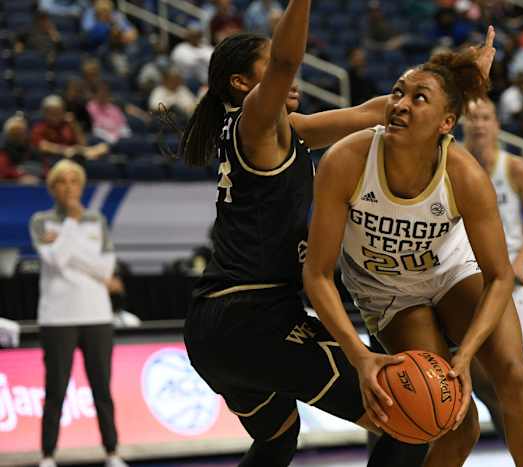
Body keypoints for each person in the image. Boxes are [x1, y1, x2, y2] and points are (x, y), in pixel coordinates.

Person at [179, 1, 454, 464]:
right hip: (253, 316)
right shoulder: (255, 123)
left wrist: (448, 77)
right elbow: (287, 61)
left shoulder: (288, 130)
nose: (291, 78)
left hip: (212, 326)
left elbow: (375, 111)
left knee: (277, 437)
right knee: (406, 415)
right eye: (270, 70)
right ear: (243, 84)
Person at [303, 28, 523, 467]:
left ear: (446, 123)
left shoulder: (465, 175)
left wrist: (467, 356)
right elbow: (317, 275)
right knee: (455, 422)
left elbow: (499, 277)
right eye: (397, 93)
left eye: (419, 99)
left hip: (451, 272)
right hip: (387, 292)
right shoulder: (346, 161)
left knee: (512, 376)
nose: (400, 103)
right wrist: (359, 356)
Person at [29, 160, 127, 467]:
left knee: (102, 388)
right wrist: (71, 226)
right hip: (57, 317)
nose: (69, 187)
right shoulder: (41, 221)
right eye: (62, 181)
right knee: (55, 389)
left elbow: (105, 267)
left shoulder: (97, 220)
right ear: (53, 187)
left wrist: (68, 245)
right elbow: (56, 262)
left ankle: (112, 452)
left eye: (74, 181)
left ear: (82, 186)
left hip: (97, 316)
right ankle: (47, 455)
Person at [462, 97, 523, 437]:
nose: (479, 124)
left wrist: (520, 262)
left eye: (485, 117)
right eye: (473, 117)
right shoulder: (453, 163)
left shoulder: (514, 168)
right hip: (466, 274)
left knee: (511, 374)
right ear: (461, 123)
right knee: (481, 378)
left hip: (511, 276)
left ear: (497, 124)